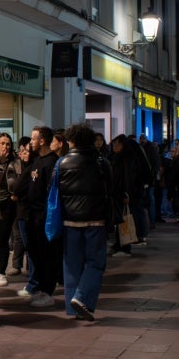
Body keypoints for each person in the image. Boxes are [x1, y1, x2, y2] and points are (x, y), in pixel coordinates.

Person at [55, 125, 112, 322]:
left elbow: (53, 192)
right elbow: (111, 190)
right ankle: (81, 298)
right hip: (96, 220)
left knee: (71, 265)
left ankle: (73, 307)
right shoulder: (101, 162)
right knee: (95, 263)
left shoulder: (61, 162)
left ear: (71, 141)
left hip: (70, 221)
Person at [15, 126, 60, 307]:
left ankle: (47, 292)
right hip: (32, 216)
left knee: (46, 255)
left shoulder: (51, 163)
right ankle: (40, 288)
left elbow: (51, 192)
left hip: (43, 218)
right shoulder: (37, 161)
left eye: (33, 139)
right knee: (35, 254)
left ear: (42, 141)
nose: (30, 142)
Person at [0, 133, 17, 287]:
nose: (5, 146)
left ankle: (1, 272)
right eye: (2, 143)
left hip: (7, 204)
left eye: (8, 144)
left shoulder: (15, 162)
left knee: (2, 240)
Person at [8, 136, 32, 277]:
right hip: (18, 206)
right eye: (21, 150)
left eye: (26, 150)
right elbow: (13, 186)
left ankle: (30, 266)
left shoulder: (34, 165)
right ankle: (17, 265)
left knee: (27, 237)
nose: (23, 153)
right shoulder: (15, 165)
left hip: (29, 206)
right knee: (18, 236)